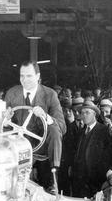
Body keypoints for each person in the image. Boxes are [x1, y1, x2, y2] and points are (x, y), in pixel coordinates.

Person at [4, 61, 66, 191]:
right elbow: (3, 127)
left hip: (43, 147)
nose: (24, 80)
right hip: (19, 147)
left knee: (54, 129)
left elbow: (62, 126)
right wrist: (5, 120)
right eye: (22, 76)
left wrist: (45, 116)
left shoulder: (50, 95)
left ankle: (53, 179)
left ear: (38, 76)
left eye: (29, 76)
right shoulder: (11, 93)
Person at [70, 100, 110, 198]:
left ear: (94, 114)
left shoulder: (103, 130)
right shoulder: (80, 131)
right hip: (78, 179)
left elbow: (106, 156)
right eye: (82, 113)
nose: (84, 115)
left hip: (94, 180)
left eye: (87, 112)